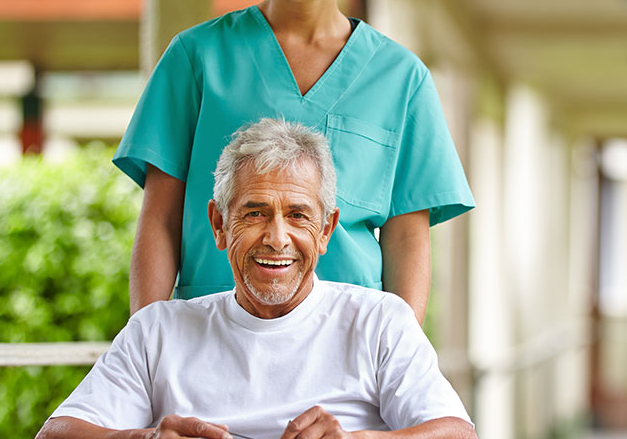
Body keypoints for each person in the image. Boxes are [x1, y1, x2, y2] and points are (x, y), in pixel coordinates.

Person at [113, 0, 474, 322]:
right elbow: (159, 220)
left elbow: (407, 239)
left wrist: (399, 359)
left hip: (348, 337)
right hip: (212, 330)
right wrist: (147, 346)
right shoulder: (196, 59)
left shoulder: (401, 77)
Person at [36, 119, 477, 439]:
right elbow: (55, 434)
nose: (277, 238)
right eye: (255, 213)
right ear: (219, 224)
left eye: (299, 216)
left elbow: (458, 433)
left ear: (325, 231)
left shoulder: (379, 322)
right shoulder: (157, 330)